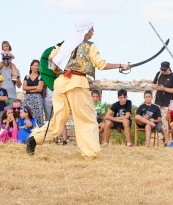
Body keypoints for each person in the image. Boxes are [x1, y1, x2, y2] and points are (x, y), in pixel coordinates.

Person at [26, 22, 130, 158]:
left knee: (58, 119)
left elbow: (51, 60)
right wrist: (121, 65)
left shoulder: (63, 45)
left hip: (61, 83)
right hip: (77, 84)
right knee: (86, 119)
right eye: (91, 30)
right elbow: (101, 65)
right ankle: (90, 154)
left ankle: (34, 139)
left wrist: (59, 70)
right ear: (85, 31)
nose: (93, 33)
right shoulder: (89, 46)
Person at [152, 61, 173, 143]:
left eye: (165, 70)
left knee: (167, 122)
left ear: (169, 68)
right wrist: (157, 87)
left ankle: (168, 142)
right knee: (156, 122)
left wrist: (164, 89)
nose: (163, 71)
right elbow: (152, 85)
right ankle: (166, 138)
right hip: (157, 102)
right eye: (162, 70)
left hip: (169, 103)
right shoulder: (159, 74)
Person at [22, 60, 45, 127]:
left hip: (37, 98)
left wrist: (28, 89)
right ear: (31, 67)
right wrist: (35, 87)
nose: (36, 67)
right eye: (34, 65)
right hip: (27, 98)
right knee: (27, 114)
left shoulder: (41, 77)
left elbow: (40, 88)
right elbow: (24, 87)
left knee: (38, 116)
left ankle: (38, 132)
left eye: (37, 66)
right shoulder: (27, 77)